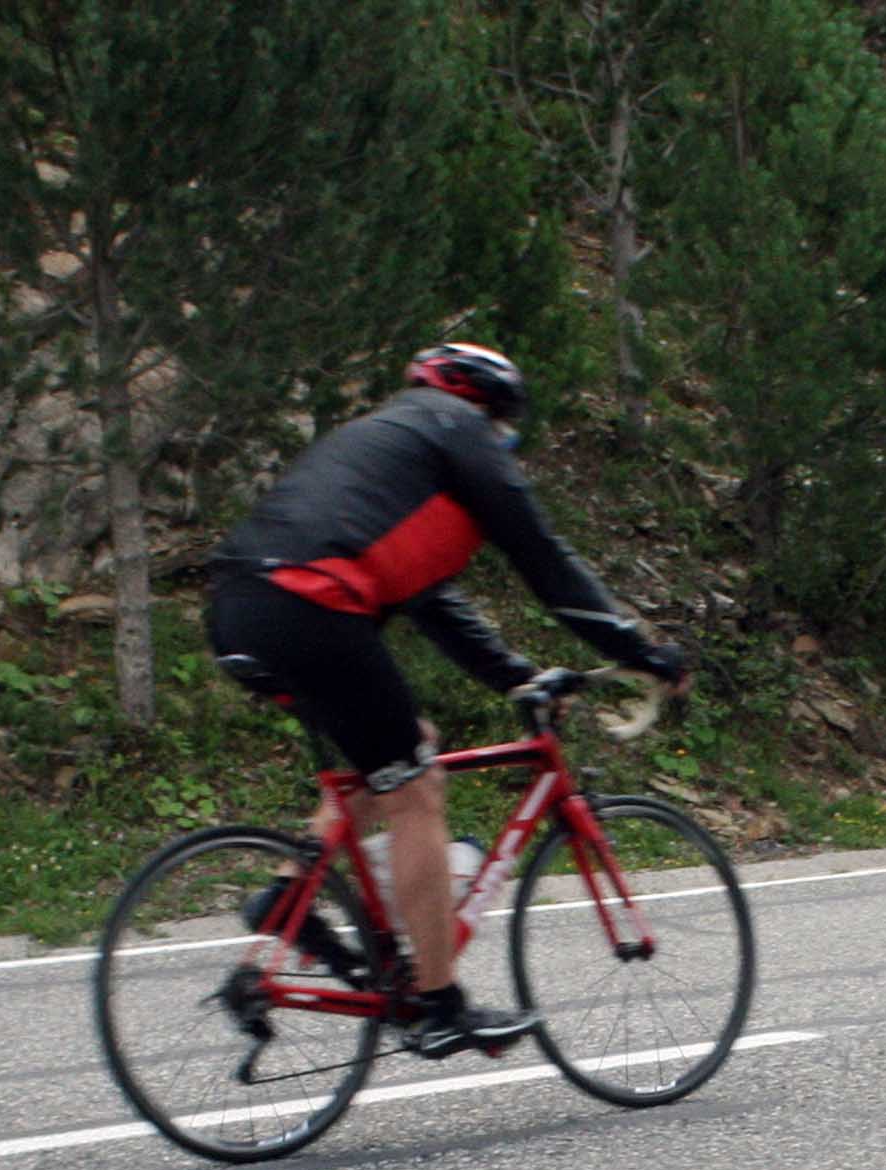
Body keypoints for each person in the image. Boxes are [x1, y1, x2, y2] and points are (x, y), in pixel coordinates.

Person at [206, 342, 692, 1058]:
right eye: (508, 430)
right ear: (487, 408)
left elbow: (434, 605)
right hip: (311, 602)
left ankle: (290, 895)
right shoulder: (455, 428)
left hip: (238, 607)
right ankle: (438, 1004)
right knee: (417, 789)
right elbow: (546, 562)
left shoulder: (391, 460)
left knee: (399, 746)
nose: (506, 444)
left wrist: (515, 677)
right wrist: (643, 654)